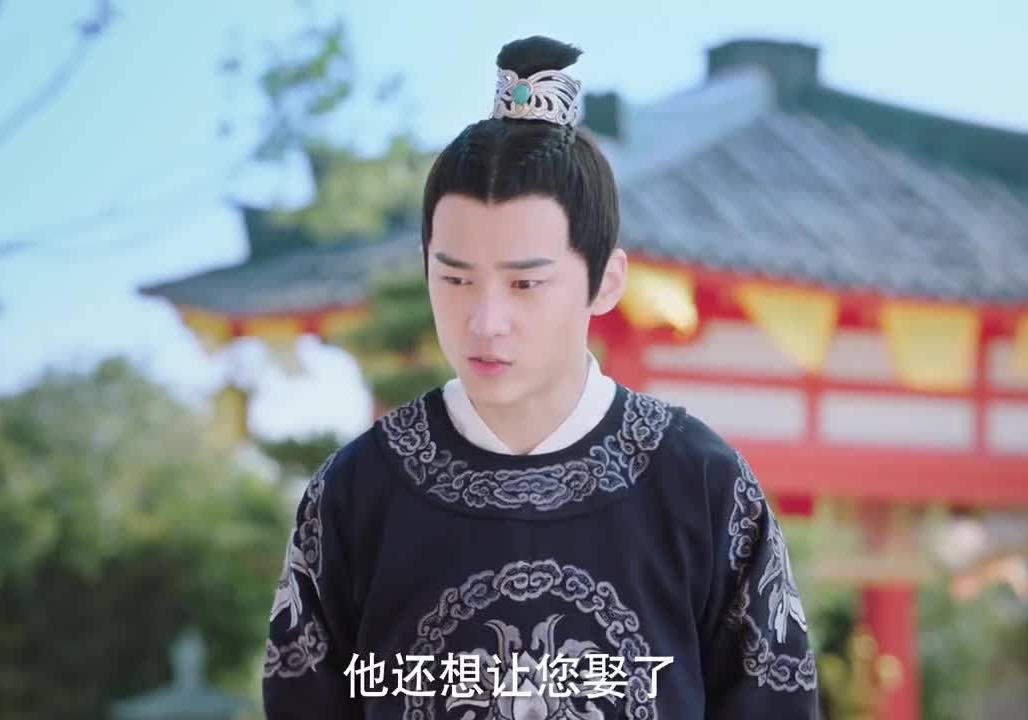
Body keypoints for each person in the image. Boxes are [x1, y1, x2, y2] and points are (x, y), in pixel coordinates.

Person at [262, 35, 819, 719]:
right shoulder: (356, 492)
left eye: (525, 284)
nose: (486, 321)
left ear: (605, 280)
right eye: (456, 279)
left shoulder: (703, 485)